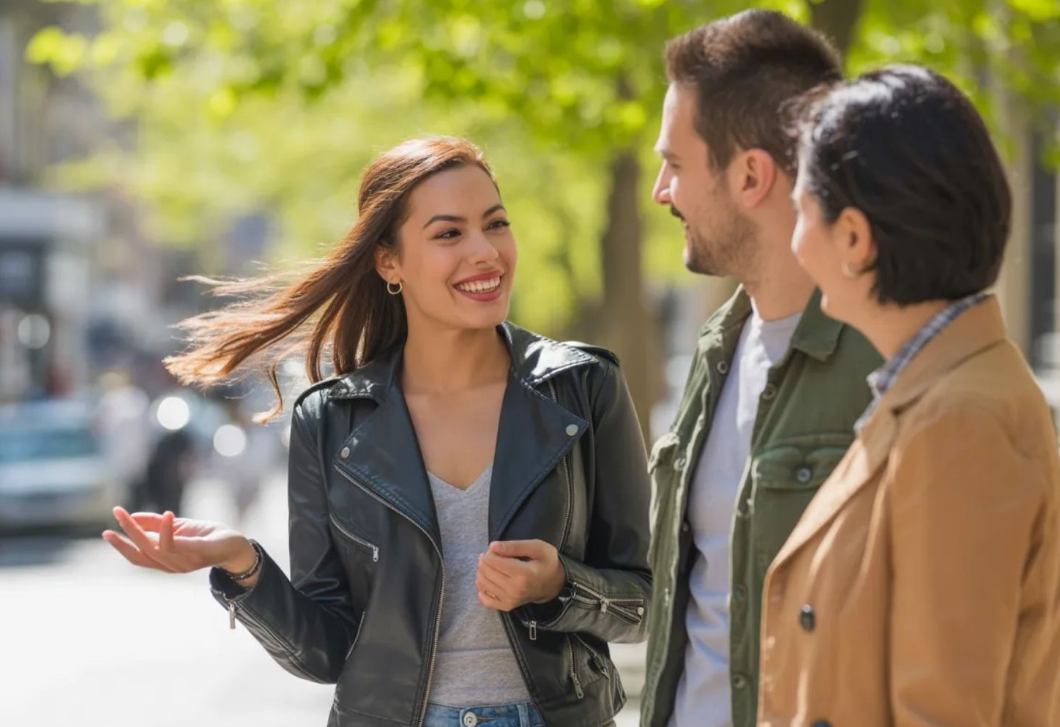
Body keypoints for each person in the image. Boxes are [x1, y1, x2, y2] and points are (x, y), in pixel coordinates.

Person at [102, 136, 651, 727]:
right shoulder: (331, 420)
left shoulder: (582, 387)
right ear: (389, 262)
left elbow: (646, 601)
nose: (485, 251)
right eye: (449, 233)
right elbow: (327, 650)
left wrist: (560, 586)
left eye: (496, 224)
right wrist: (243, 564)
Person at [757, 64, 1060, 727]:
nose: (794, 239)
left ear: (855, 239)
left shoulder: (962, 420)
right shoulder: (938, 396)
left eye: (801, 210)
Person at [641, 11, 882, 727]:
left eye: (675, 164)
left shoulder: (888, 364)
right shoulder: (715, 349)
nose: (660, 191)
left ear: (750, 175)